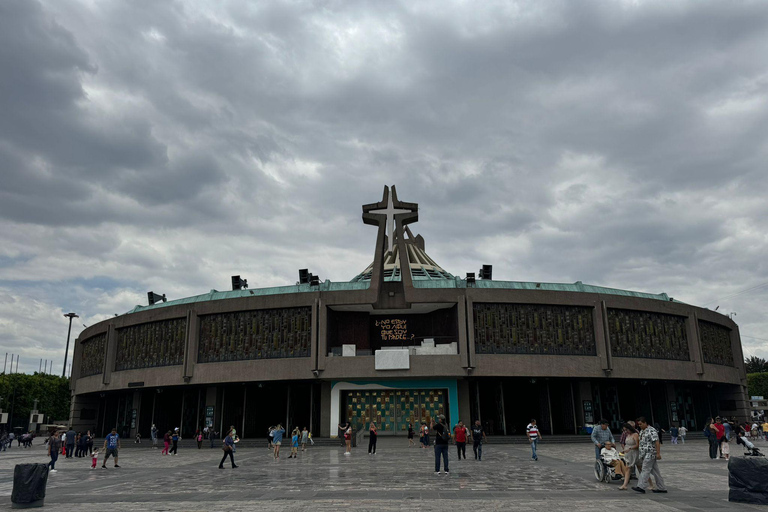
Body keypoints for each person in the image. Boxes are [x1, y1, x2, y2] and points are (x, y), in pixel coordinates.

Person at [632, 417, 667, 494]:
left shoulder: (651, 430)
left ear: (645, 423)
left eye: (641, 424)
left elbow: (656, 442)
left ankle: (641, 486)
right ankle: (662, 487)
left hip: (650, 453)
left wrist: (658, 453)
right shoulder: (642, 431)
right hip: (644, 453)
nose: (640, 426)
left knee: (645, 469)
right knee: (655, 471)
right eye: (639, 424)